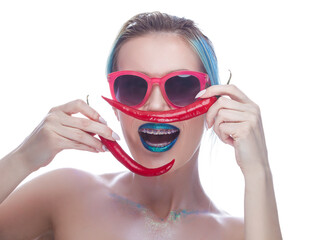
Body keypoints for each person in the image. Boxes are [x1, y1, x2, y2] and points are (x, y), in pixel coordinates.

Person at [0, 11, 282, 240]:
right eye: (133, 86)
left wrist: (259, 172)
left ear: (213, 103)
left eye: (181, 86)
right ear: (115, 106)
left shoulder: (241, 233)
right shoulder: (65, 194)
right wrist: (22, 159)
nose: (156, 106)